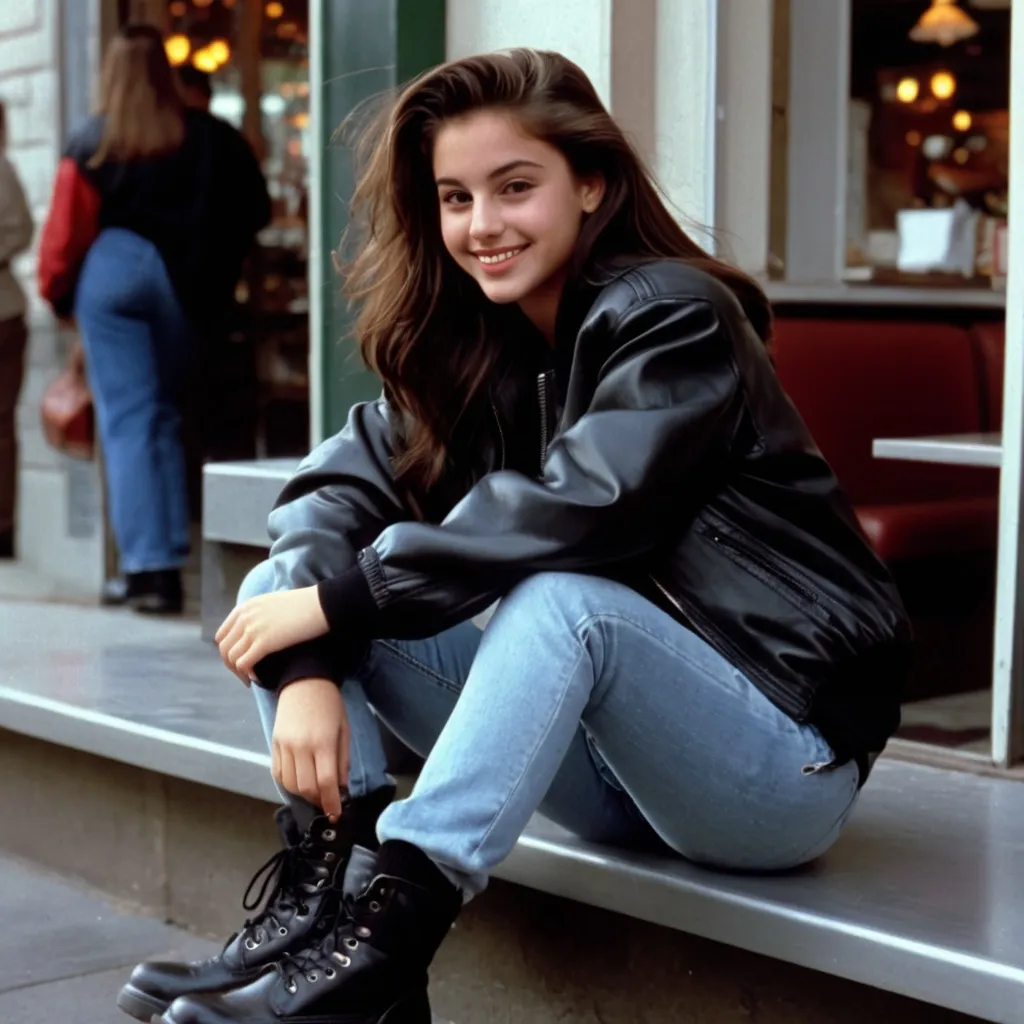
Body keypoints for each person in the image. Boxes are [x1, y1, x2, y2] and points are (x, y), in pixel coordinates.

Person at [119, 49, 912, 1024]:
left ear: (592, 184)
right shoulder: (478, 351)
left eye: (514, 187)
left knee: (559, 601)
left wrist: (339, 605)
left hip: (776, 764)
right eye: (455, 197)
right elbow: (330, 490)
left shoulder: (674, 320)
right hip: (616, 774)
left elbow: (586, 507)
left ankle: (388, 936)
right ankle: (334, 913)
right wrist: (314, 657)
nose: (481, 225)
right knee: (285, 578)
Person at [38, 25, 270, 613]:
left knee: (129, 422)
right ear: (168, 73)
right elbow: (255, 208)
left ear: (109, 75)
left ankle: (149, 571)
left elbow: (63, 238)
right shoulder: (212, 138)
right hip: (185, 286)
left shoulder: (91, 141)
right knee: (161, 416)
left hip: (111, 277)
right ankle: (165, 556)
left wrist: (59, 298)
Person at [0, 100, 35, 560]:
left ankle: (3, 526)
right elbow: (21, 229)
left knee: (1, 425)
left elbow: (21, 231)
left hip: (3, 314)